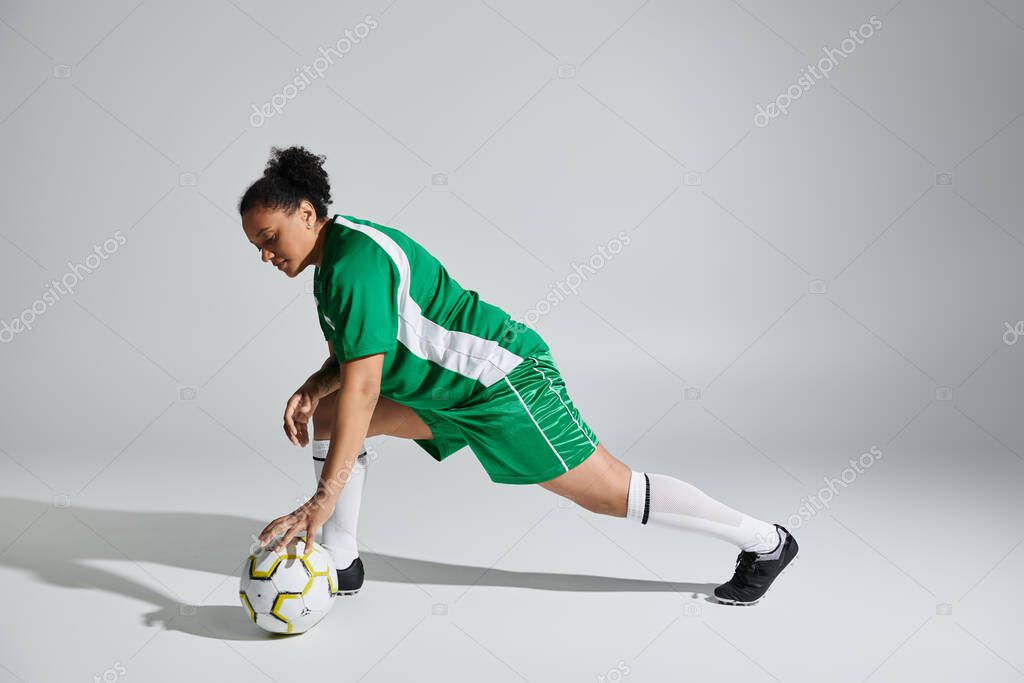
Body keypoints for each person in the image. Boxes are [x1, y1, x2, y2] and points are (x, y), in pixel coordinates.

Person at [243, 145, 798, 606]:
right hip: (443, 393)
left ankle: (767, 542)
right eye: (256, 246)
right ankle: (341, 561)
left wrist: (322, 496)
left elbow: (365, 386)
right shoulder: (336, 258)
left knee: (610, 492)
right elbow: (359, 358)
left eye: (270, 237)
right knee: (331, 413)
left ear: (308, 214)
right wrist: (315, 387)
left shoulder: (352, 264)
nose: (266, 255)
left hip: (501, 387)